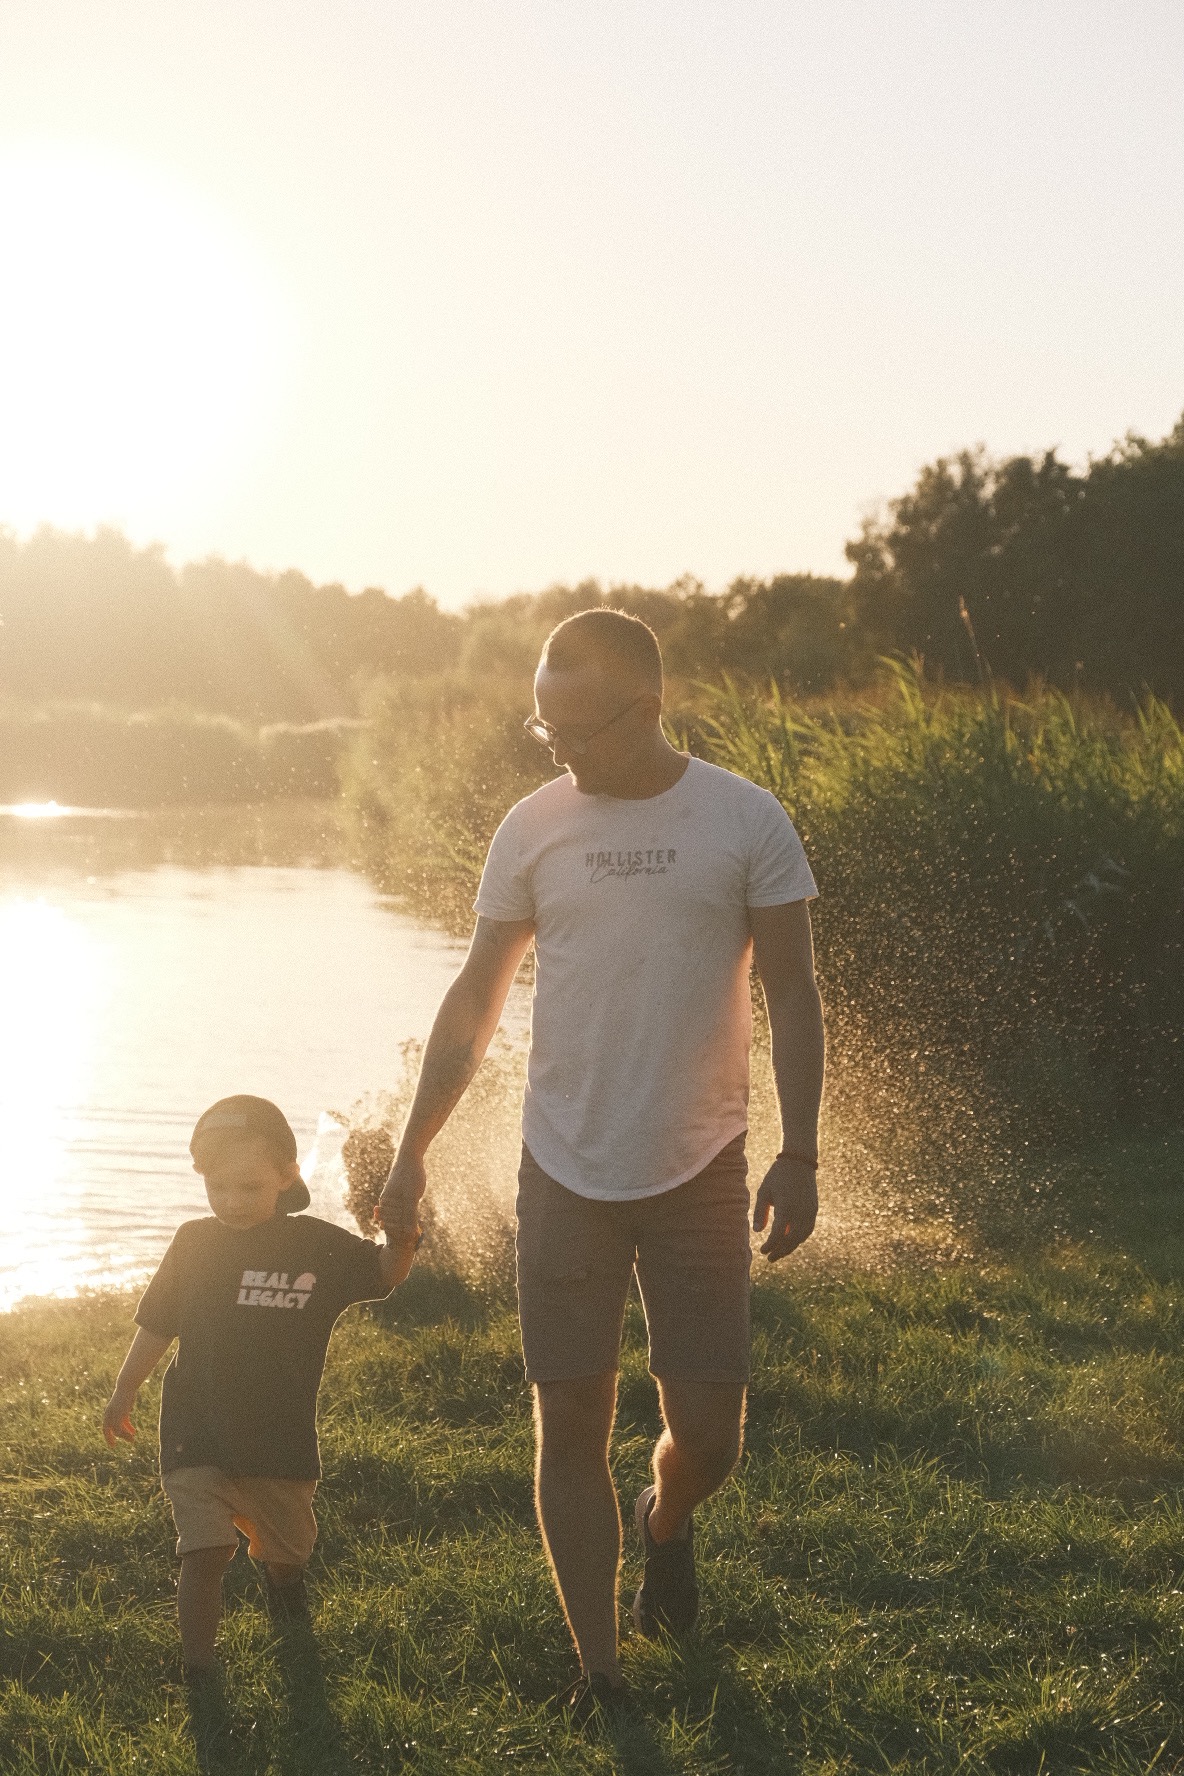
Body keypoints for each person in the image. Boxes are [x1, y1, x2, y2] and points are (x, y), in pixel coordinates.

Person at [377, 608, 825, 1713]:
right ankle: (600, 1671)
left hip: (701, 1163)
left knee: (709, 1438)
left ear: (648, 706)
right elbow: (474, 1000)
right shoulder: (531, 828)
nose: (560, 750)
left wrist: (800, 1147)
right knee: (567, 1420)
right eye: (545, 731)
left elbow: (792, 992)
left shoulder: (743, 818)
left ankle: (663, 1516)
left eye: (577, 728)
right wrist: (410, 1151)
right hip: (563, 1166)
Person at [102, 1095, 418, 1709]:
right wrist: (124, 1389)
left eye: (248, 1187)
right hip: (197, 1430)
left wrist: (400, 1235)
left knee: (286, 1552)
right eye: (218, 1187)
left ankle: (283, 1586)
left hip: (279, 1440)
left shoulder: (315, 1248)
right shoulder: (193, 1243)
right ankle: (199, 1674)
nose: (232, 1202)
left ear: (287, 1176)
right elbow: (156, 1324)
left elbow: (383, 1274)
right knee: (205, 1548)